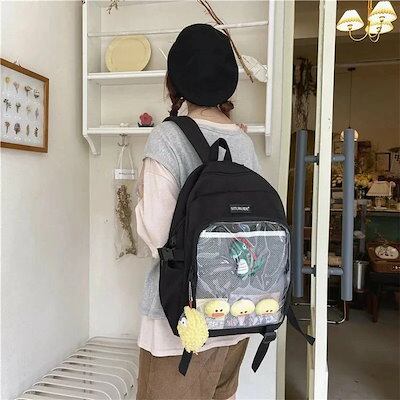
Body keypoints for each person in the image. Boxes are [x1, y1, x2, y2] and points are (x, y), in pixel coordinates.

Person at [135, 24, 261, 400]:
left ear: (174, 81)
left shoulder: (168, 137)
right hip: (237, 312)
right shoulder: (243, 141)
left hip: (181, 320)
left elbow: (158, 235)